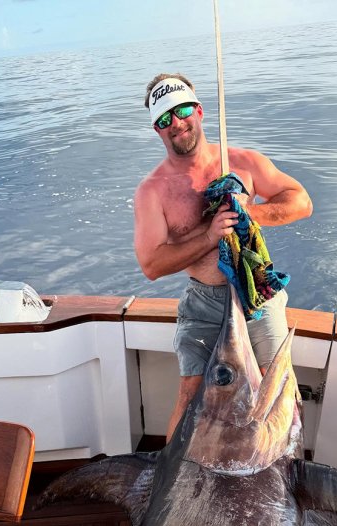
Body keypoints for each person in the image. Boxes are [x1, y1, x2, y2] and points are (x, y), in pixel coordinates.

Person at [133, 74, 312, 438]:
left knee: (280, 390)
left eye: (182, 111)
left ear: (198, 111)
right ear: (157, 130)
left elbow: (301, 202)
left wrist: (249, 214)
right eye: (165, 119)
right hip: (203, 300)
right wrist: (210, 234)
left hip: (256, 294)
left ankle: (282, 476)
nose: (177, 124)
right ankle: (174, 488)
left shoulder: (243, 162)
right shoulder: (152, 192)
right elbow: (151, 264)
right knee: (189, 397)